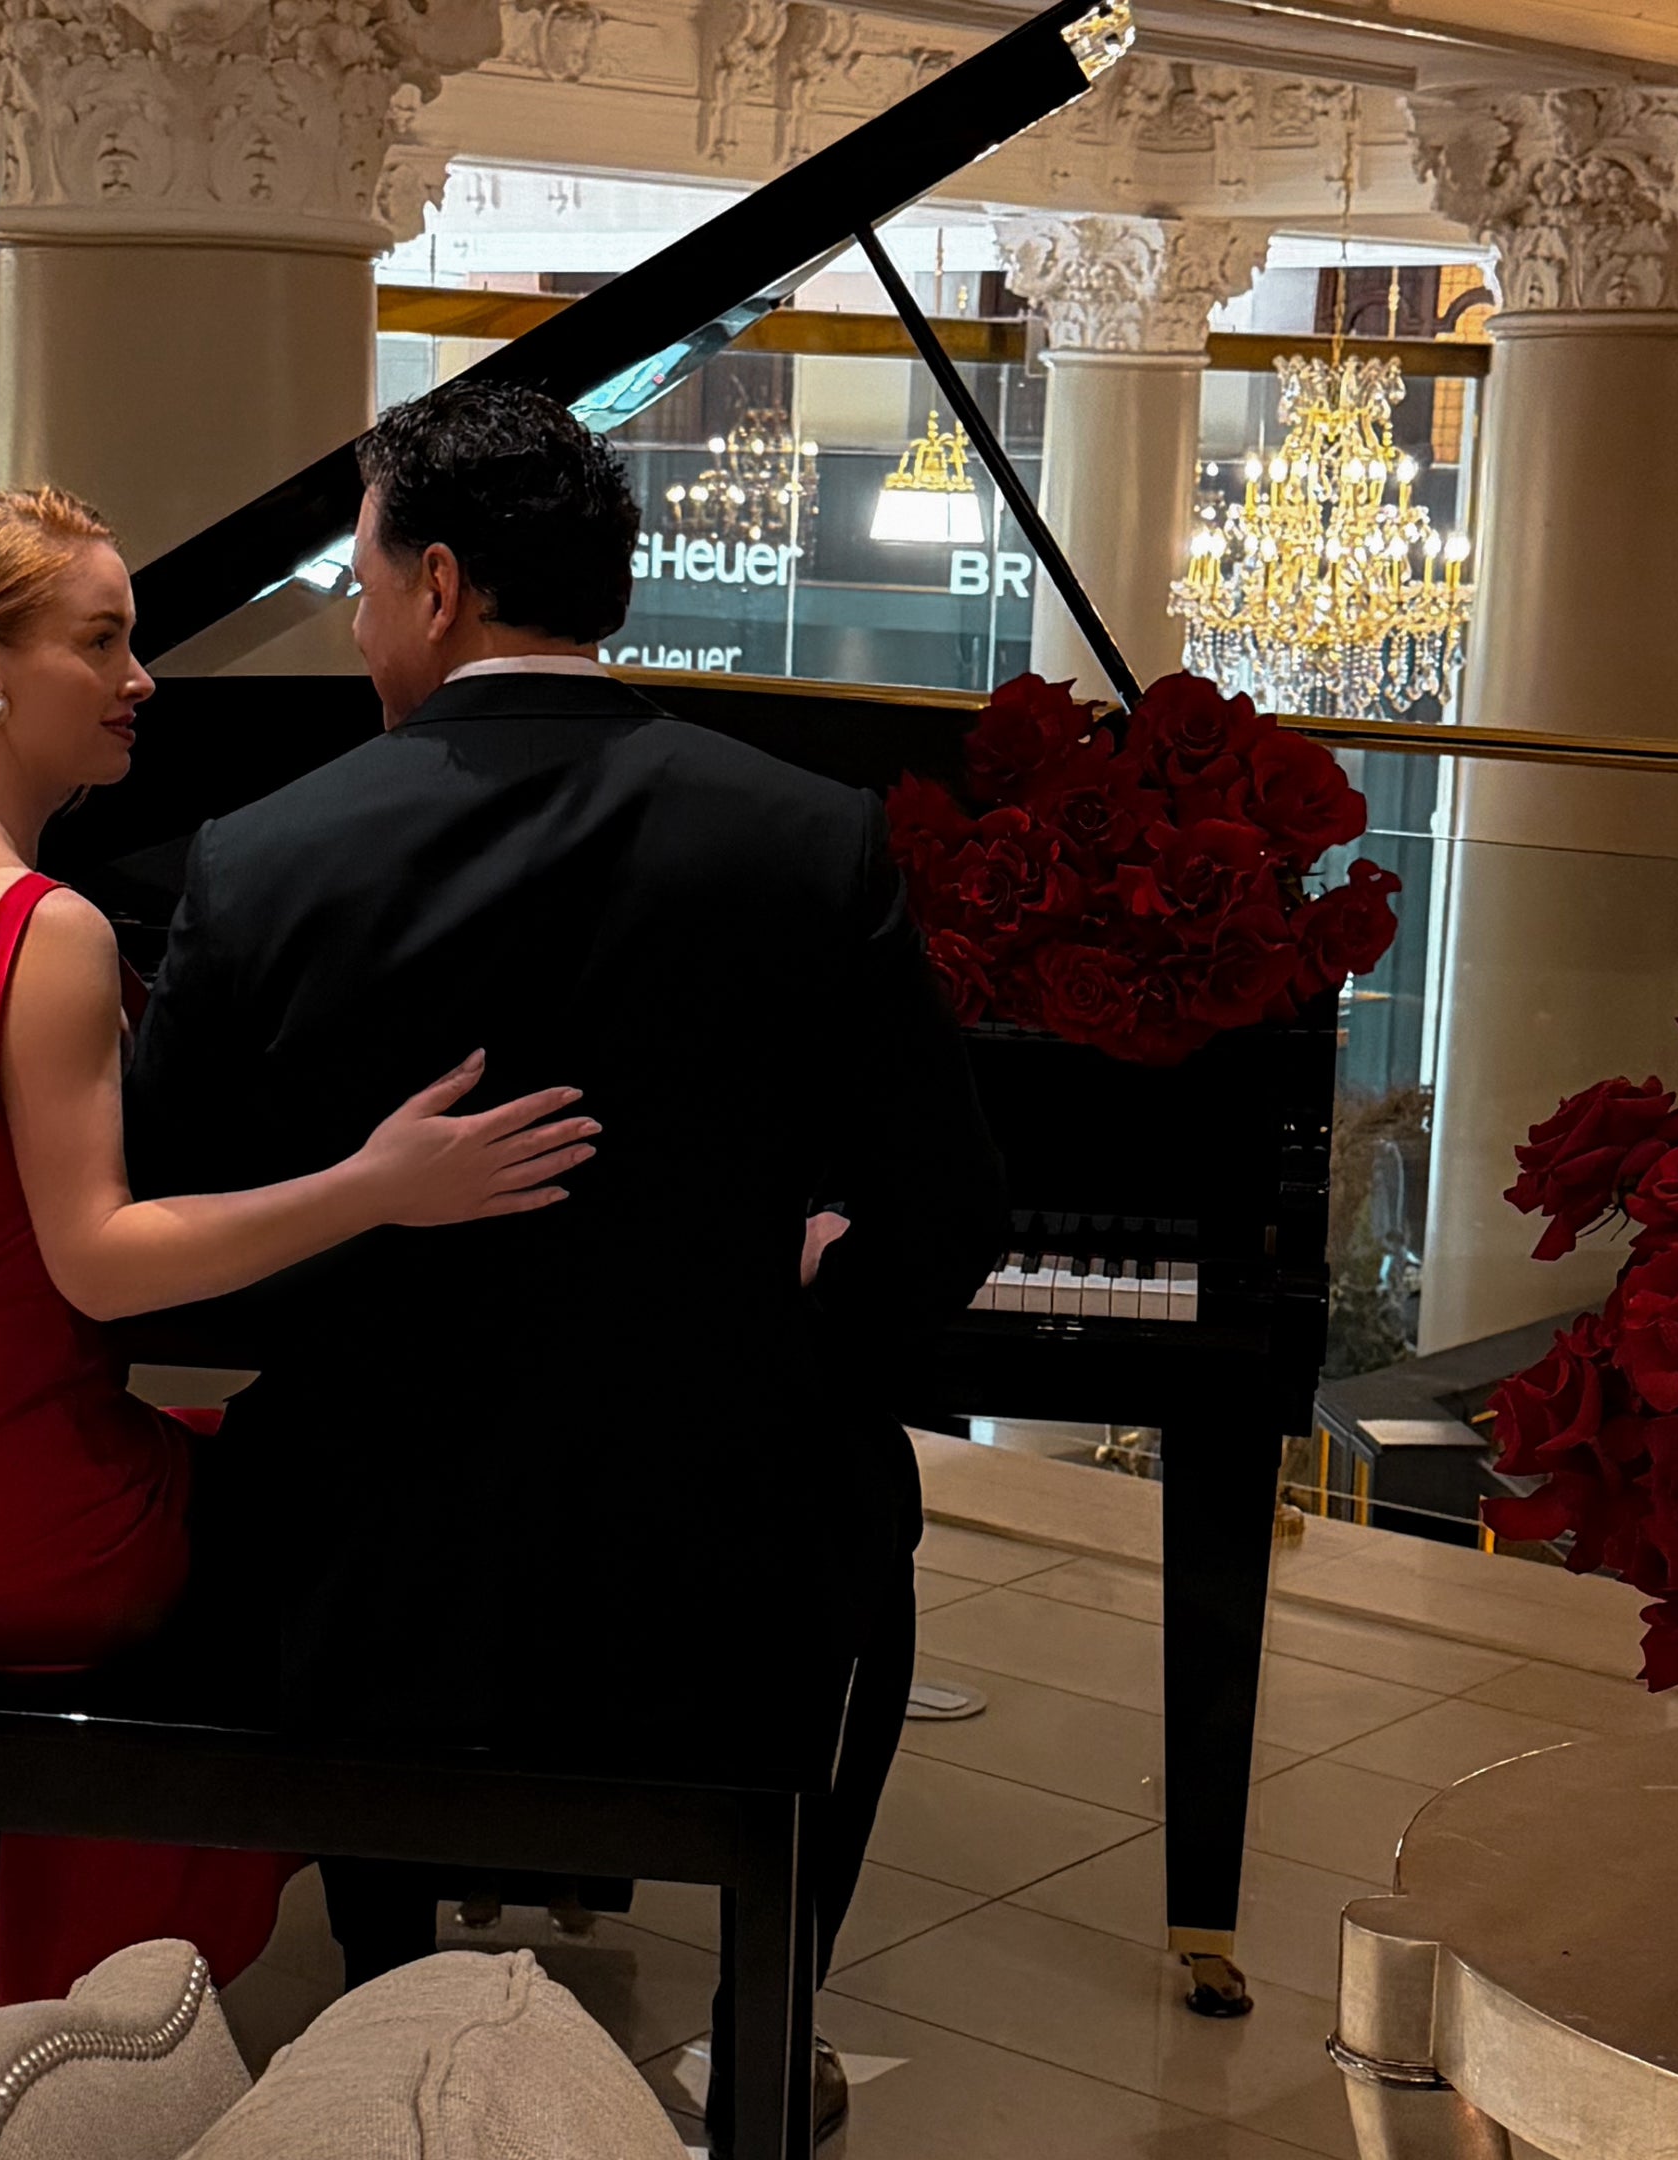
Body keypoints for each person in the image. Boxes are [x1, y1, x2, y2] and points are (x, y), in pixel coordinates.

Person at [128, 383, 1006, 2149]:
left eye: (363, 583)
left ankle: (384, 1981)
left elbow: (175, 1219)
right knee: (861, 1500)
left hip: (376, 1563)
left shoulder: (264, 856)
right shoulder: (807, 835)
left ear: (440, 585)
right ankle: (771, 2011)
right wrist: (807, 1326)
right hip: (723, 1561)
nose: (361, 620)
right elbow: (954, 1198)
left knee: (292, 1481)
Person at [0, 486, 600, 2006]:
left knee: (233, 1448)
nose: (144, 680)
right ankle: (201, 1980)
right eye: (105, 641)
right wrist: (380, 1182)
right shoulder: (44, 925)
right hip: (6, 1533)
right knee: (327, 1501)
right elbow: (101, 1263)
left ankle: (71, 1975)